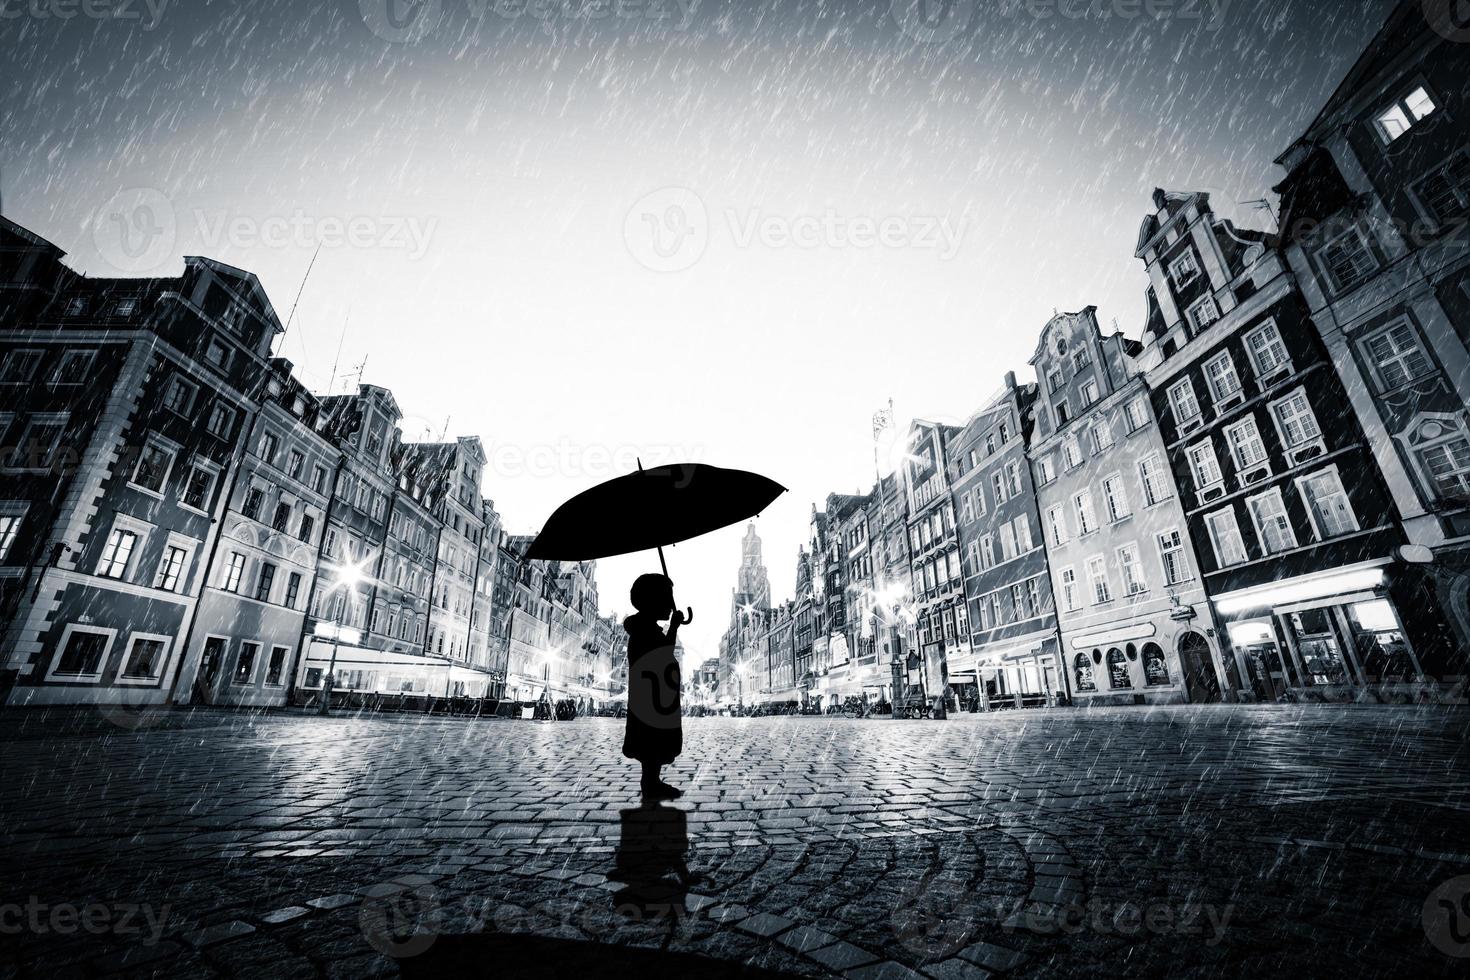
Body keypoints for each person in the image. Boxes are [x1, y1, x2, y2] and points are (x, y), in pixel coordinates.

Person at [623, 573, 688, 799]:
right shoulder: (644, 631)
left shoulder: (646, 628)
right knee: (652, 742)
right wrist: (674, 627)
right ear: (653, 600)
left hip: (655, 696)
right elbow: (662, 653)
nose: (671, 604)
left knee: (654, 744)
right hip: (652, 698)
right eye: (667, 597)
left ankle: (652, 780)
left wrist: (673, 627)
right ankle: (650, 783)